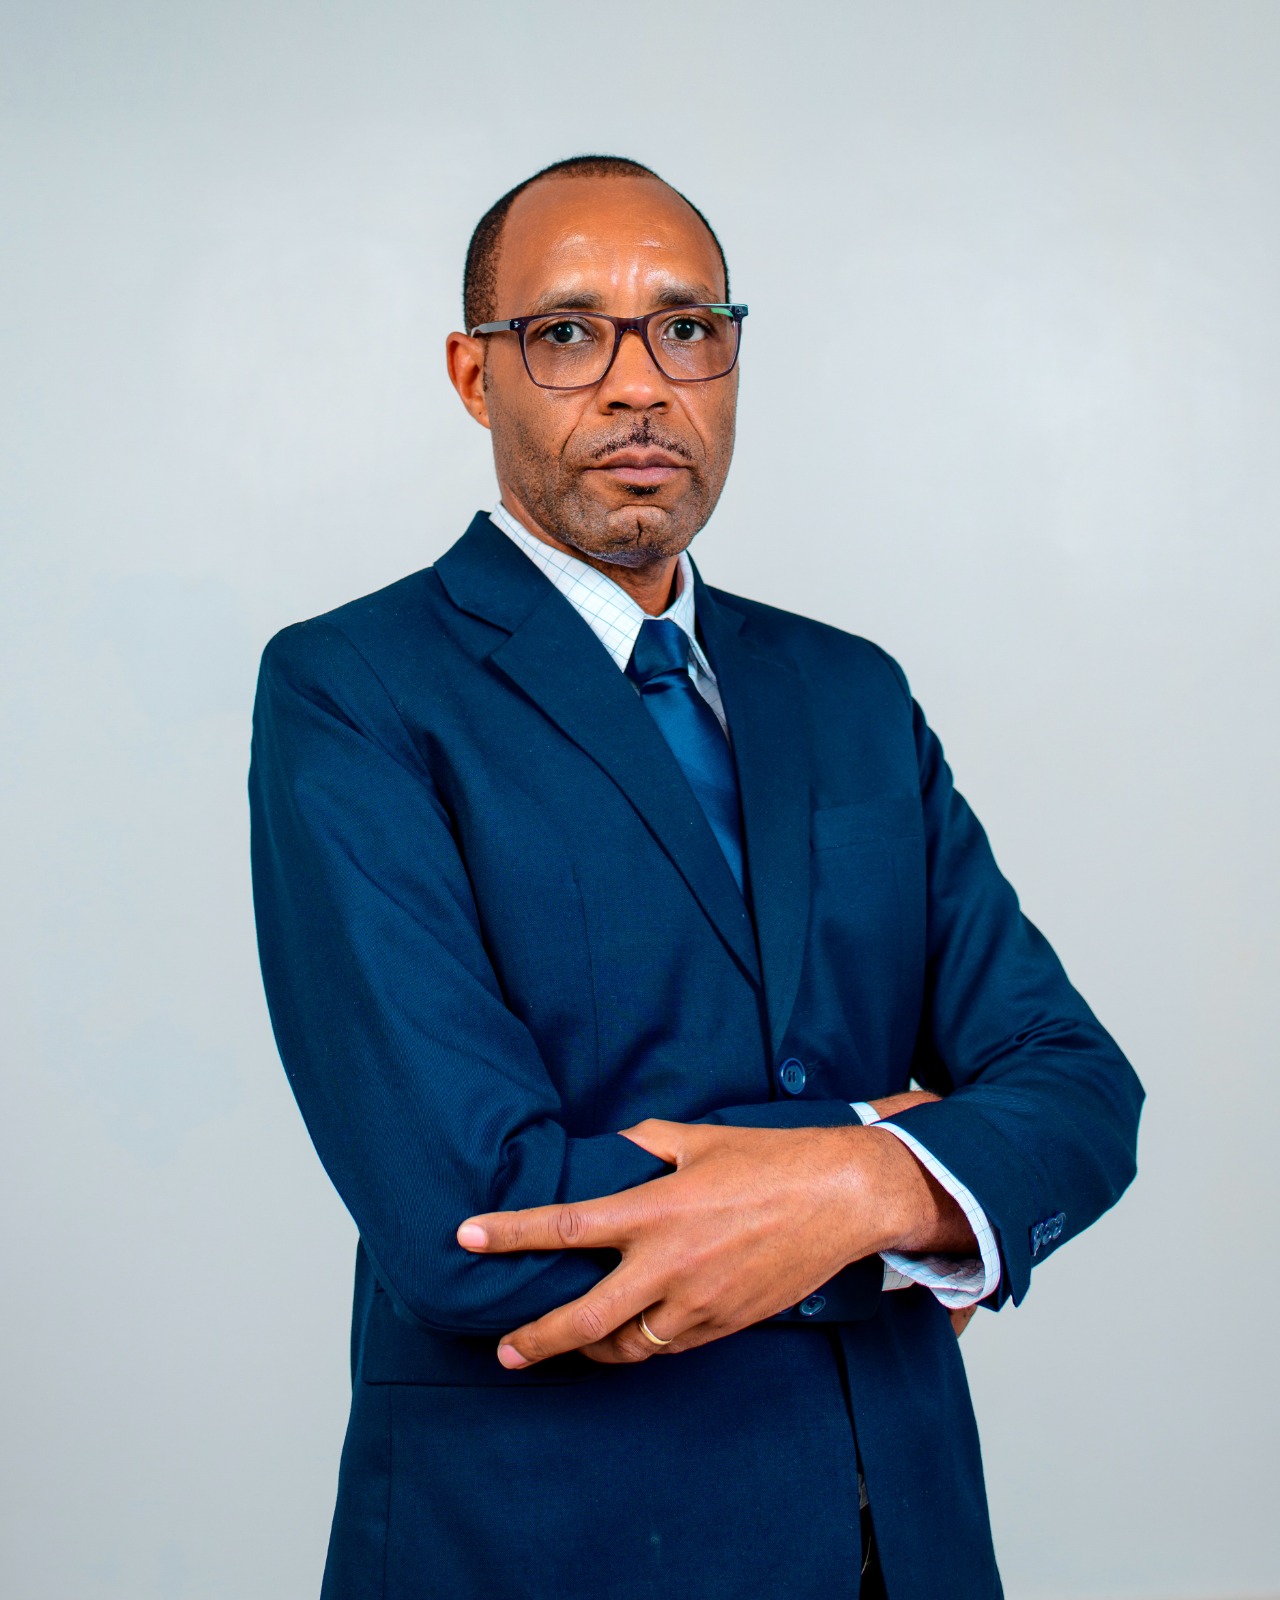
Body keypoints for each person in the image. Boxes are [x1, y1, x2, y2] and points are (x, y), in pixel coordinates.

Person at [249, 154, 1143, 1600]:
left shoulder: (851, 691)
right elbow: (473, 1221)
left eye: (685, 329)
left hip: (902, 1545)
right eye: (566, 332)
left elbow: (1081, 1092)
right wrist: (905, 1169)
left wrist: (866, 1182)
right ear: (475, 376)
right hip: (549, 1548)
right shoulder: (354, 689)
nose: (638, 385)